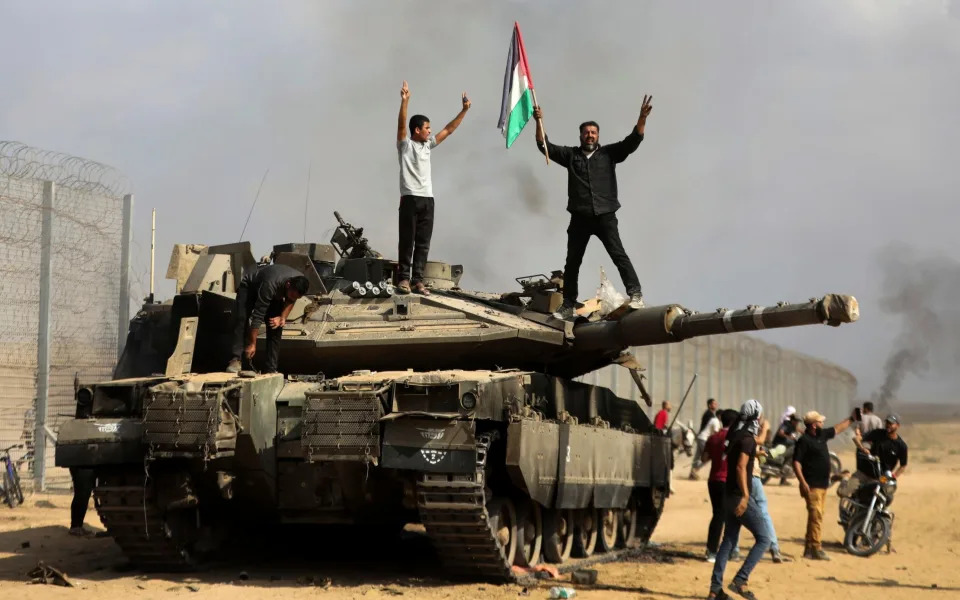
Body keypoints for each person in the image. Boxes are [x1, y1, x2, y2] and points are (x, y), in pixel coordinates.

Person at [532, 96, 653, 320]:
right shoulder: (571, 156)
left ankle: (636, 294)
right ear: (581, 135)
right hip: (580, 217)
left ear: (598, 136)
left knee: (619, 255)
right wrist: (539, 122)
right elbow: (544, 146)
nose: (590, 135)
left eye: (594, 132)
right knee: (572, 262)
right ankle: (567, 305)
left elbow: (633, 141)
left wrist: (642, 118)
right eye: (587, 132)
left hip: (605, 215)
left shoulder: (608, 154)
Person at [395, 80, 470, 295]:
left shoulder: (428, 145)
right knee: (407, 240)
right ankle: (404, 279)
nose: (430, 131)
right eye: (427, 128)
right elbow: (401, 126)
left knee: (423, 242)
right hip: (410, 197)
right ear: (417, 130)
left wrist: (463, 111)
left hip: (428, 199)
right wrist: (405, 101)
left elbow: (449, 129)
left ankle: (418, 280)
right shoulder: (405, 146)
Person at [709, 399, 772, 600]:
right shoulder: (747, 439)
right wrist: (745, 496)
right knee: (764, 538)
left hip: (728, 494)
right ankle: (740, 580)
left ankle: (715, 589)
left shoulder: (737, 434)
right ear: (756, 417)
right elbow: (739, 467)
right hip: (738, 496)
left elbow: (740, 458)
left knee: (728, 540)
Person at [792, 408, 856, 560]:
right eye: (820, 421)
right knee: (817, 517)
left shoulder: (821, 435)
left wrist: (852, 419)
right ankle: (816, 548)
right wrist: (803, 482)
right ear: (814, 424)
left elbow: (838, 428)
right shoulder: (804, 441)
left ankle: (808, 549)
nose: (822, 422)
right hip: (811, 485)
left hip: (822, 485)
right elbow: (796, 463)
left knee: (814, 517)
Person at [226, 264, 310, 374]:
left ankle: (271, 368)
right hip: (250, 288)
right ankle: (236, 359)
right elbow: (258, 316)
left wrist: (282, 317)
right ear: (288, 284)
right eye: (292, 295)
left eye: (297, 297)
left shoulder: (298, 283)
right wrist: (252, 344)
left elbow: (291, 300)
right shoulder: (270, 285)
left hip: (276, 293)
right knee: (242, 319)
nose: (294, 298)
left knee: (275, 325)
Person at [701, 409, 741, 563]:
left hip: (714, 480)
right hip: (728, 481)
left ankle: (713, 550)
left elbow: (704, 458)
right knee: (730, 516)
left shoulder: (713, 438)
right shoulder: (736, 438)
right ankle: (723, 551)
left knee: (718, 515)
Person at [751, 418, 785, 564]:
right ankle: (774, 547)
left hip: (742, 477)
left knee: (735, 515)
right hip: (752, 476)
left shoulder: (738, 431)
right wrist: (764, 428)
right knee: (763, 512)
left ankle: (733, 550)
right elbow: (757, 442)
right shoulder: (749, 434)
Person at [69, 387, 96, 536]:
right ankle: (76, 526)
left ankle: (76, 525)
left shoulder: (81, 425)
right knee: (82, 493)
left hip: (85, 459)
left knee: (82, 493)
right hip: (83, 461)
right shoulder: (82, 426)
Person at [690, 398, 721, 480]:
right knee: (708, 456)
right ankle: (695, 471)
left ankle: (692, 473)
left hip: (701, 437)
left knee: (697, 457)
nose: (716, 405)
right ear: (709, 405)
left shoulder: (708, 414)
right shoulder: (710, 415)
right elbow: (713, 431)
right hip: (703, 438)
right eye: (714, 404)